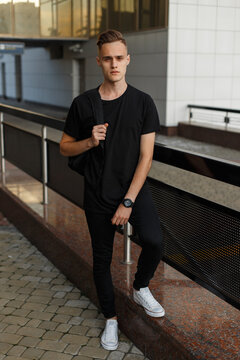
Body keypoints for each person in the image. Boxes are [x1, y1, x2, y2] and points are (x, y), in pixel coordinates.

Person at [60, 29, 164, 351]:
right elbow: (64, 148)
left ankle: (140, 286)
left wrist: (129, 201)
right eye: (108, 59)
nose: (114, 64)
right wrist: (89, 141)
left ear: (128, 60)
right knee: (102, 260)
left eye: (119, 58)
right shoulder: (84, 104)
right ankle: (110, 319)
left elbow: (146, 157)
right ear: (99, 62)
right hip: (98, 192)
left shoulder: (143, 102)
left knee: (154, 241)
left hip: (133, 189)